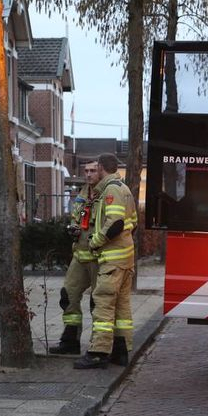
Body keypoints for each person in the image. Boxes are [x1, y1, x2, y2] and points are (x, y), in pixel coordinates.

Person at [74, 153, 139, 369]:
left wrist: (95, 241)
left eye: (96, 168)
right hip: (125, 259)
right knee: (121, 307)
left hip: (112, 260)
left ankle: (98, 353)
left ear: (101, 167)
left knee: (102, 302)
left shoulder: (110, 190)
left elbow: (116, 224)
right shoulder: (125, 189)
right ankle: (121, 351)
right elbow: (133, 222)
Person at [49, 160, 100, 355]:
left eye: (93, 170)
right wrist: (74, 229)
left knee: (97, 302)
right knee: (68, 294)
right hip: (79, 255)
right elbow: (77, 218)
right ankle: (70, 341)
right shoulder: (82, 193)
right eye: (86, 170)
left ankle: (99, 345)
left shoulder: (107, 193)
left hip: (98, 257)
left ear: (101, 171)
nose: (88, 174)